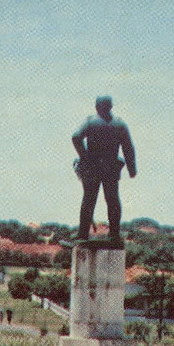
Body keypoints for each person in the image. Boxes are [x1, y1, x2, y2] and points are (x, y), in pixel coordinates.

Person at [71, 95, 136, 244]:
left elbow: (75, 137)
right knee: (112, 200)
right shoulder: (119, 124)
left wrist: (84, 156)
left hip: (92, 168)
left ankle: (82, 234)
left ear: (96, 107)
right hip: (111, 168)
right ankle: (114, 234)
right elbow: (128, 147)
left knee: (88, 200)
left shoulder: (90, 122)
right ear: (111, 106)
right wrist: (132, 169)